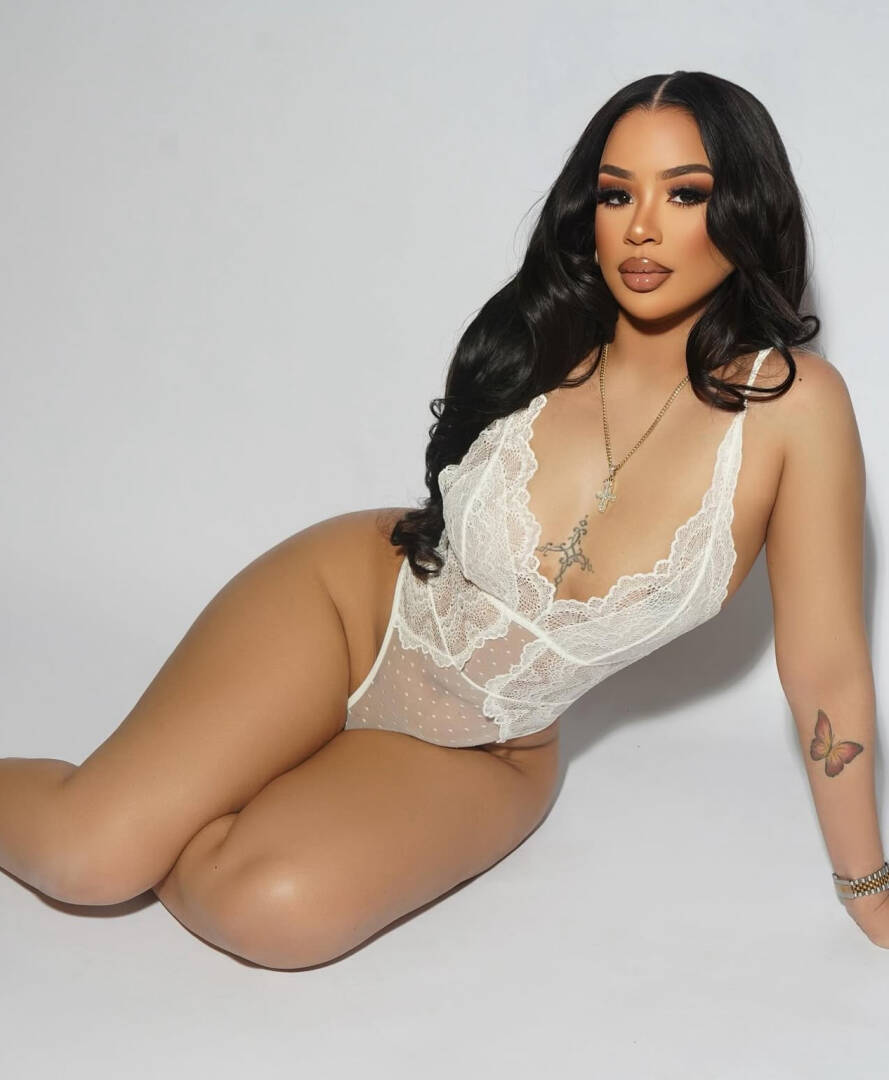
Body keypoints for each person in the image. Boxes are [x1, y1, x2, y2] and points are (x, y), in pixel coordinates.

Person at [1, 70, 886, 969]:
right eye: (616, 194)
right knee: (91, 860)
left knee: (268, 912)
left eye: (684, 193)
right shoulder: (549, 334)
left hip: (491, 749)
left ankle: (200, 806)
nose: (641, 227)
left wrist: (867, 886)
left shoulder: (796, 408)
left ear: (743, 207)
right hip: (351, 612)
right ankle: (150, 813)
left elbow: (826, 672)